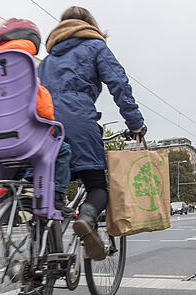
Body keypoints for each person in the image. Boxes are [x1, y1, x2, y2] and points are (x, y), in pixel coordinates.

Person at [38, 6, 146, 260]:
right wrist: (135, 123)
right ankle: (86, 219)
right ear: (90, 26)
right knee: (97, 185)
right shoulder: (95, 46)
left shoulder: (47, 61)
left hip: (43, 127)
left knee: (51, 192)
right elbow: (119, 83)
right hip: (77, 122)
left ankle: (44, 260)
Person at [0, 18, 72, 213]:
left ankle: (5, 194)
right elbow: (43, 109)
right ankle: (56, 197)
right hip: (22, 138)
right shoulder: (22, 62)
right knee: (62, 150)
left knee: (11, 160)